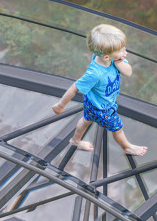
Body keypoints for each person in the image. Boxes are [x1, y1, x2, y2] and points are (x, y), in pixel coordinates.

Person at [51, 23, 148, 156]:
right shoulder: (95, 73)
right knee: (117, 128)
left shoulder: (111, 58)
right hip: (102, 109)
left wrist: (119, 60)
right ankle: (127, 147)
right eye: (120, 49)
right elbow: (75, 87)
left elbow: (128, 72)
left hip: (95, 101)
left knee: (86, 120)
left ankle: (75, 140)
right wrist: (60, 106)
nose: (124, 51)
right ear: (106, 57)